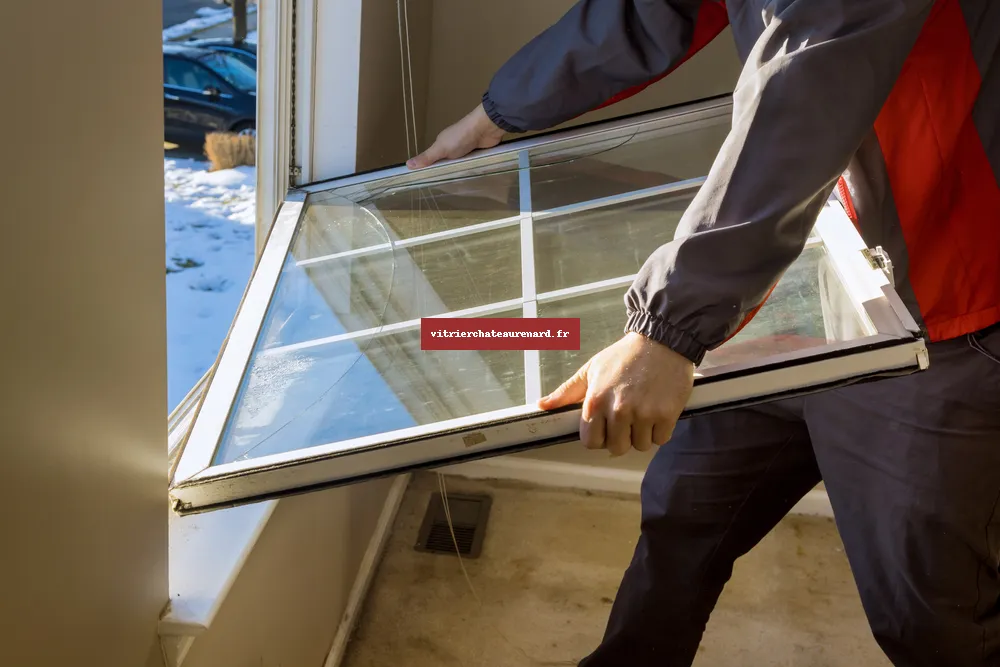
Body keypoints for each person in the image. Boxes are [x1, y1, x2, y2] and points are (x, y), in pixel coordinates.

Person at [408, 1, 1000, 665]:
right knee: (682, 515)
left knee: (931, 620)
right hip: (806, 268)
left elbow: (807, 91)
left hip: (939, 306)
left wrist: (668, 328)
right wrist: (502, 111)